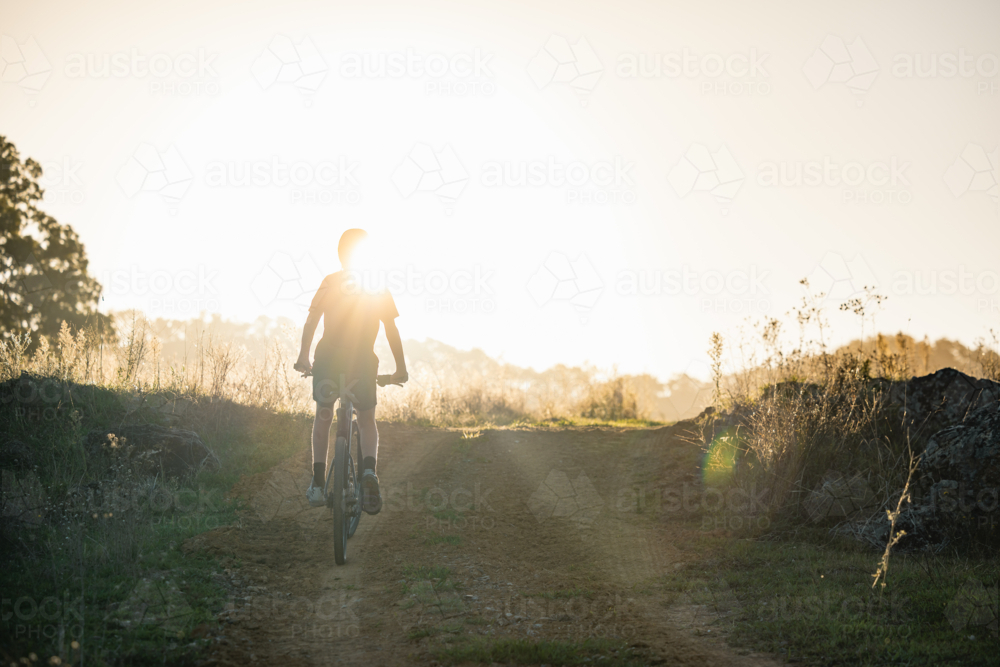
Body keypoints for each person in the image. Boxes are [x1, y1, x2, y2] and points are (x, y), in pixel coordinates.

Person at [294, 228, 407, 513]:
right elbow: (391, 329)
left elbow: (311, 321)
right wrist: (400, 368)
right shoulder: (377, 286)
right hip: (362, 362)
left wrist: (303, 356)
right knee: (367, 419)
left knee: (323, 416)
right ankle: (369, 472)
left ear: (340, 255)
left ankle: (318, 484)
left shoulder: (330, 282)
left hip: (328, 360)